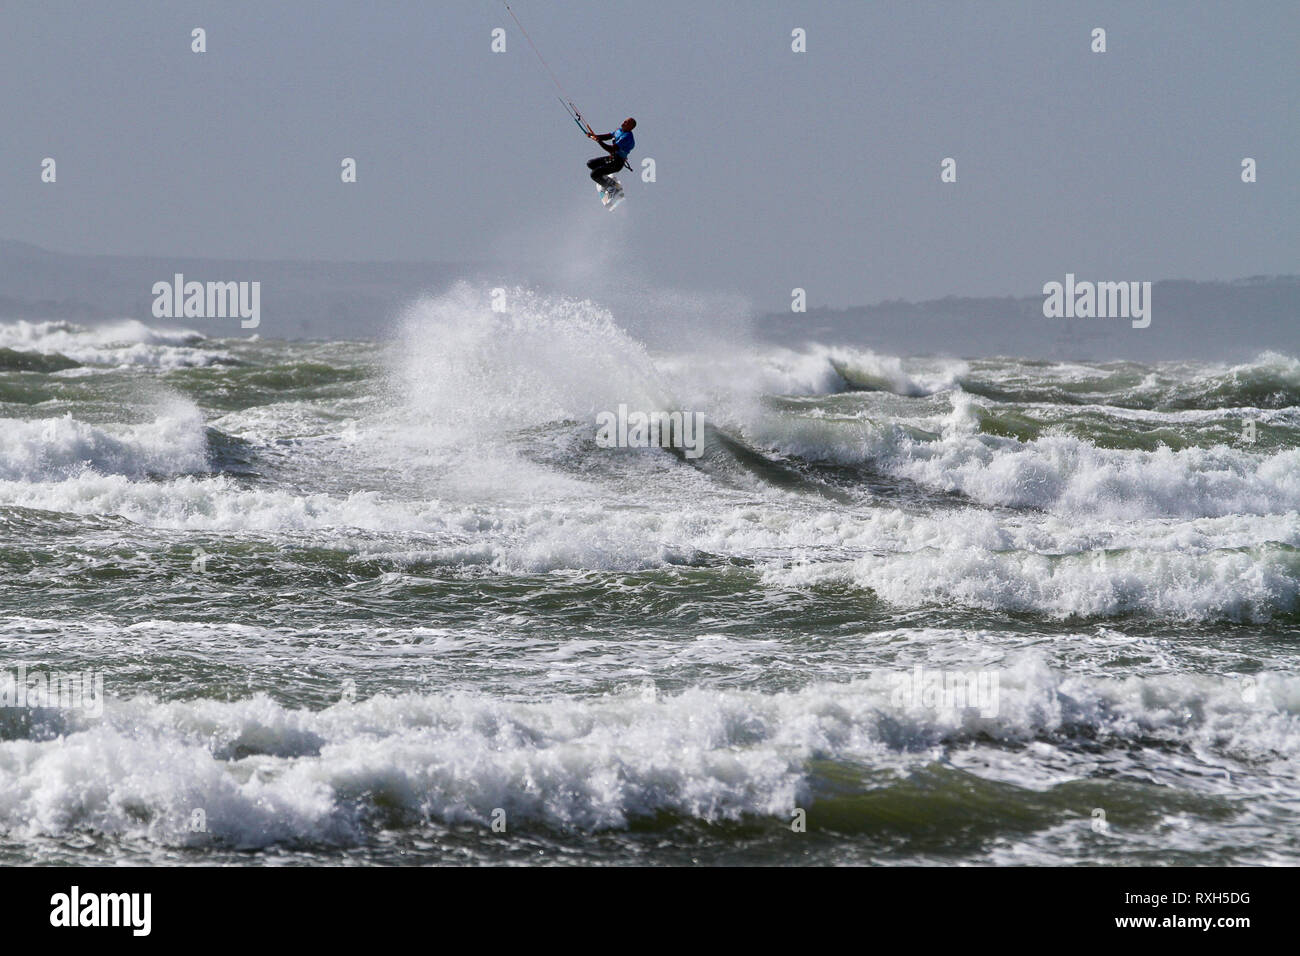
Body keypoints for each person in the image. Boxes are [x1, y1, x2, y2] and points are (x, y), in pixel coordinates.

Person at [586, 118, 636, 189]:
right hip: (612, 159)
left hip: (617, 163)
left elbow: (611, 149)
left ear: (631, 127)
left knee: (594, 174)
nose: (624, 122)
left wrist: (598, 141)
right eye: (624, 121)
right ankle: (607, 180)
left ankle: (612, 188)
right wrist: (594, 136)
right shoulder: (619, 130)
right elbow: (608, 136)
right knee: (591, 163)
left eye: (626, 123)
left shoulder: (627, 137)